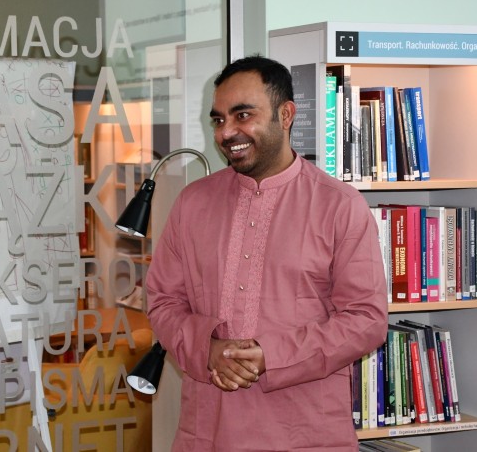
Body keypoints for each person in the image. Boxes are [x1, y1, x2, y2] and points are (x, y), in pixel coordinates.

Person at [146, 55, 388, 451]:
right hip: (208, 430)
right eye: (218, 120)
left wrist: (271, 356)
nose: (227, 132)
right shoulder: (192, 203)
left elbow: (366, 320)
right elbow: (163, 301)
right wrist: (207, 349)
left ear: (286, 114)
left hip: (305, 432)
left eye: (243, 115)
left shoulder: (339, 206)